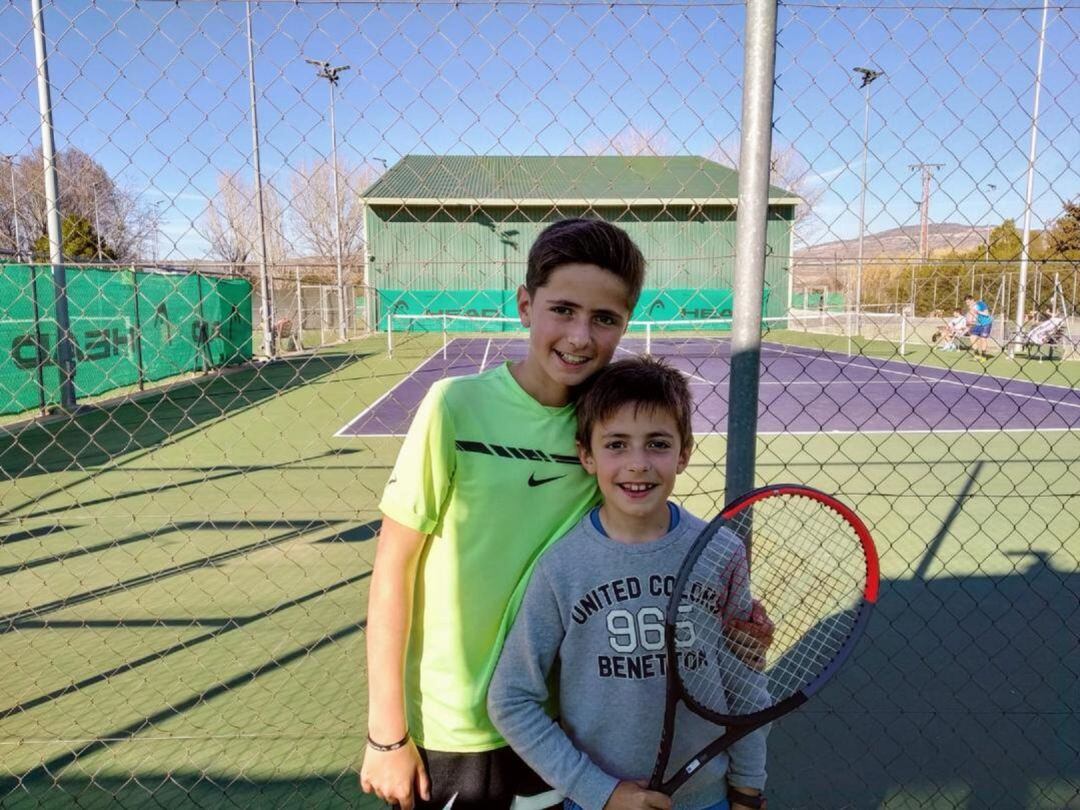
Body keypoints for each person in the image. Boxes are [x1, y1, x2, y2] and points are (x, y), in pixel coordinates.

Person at [359, 218, 648, 810]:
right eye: (562, 309)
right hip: (454, 728)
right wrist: (386, 733)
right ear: (525, 305)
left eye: (605, 319)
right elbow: (394, 565)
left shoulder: (609, 436)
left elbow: (640, 540)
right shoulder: (455, 407)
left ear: (624, 325)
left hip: (557, 725)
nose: (580, 335)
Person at [489, 356, 769, 810]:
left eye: (657, 443)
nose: (637, 464)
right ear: (586, 455)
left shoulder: (721, 551)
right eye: (616, 444)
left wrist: (747, 789)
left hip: (708, 799)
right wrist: (601, 792)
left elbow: (745, 684)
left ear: (684, 453)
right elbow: (510, 699)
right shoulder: (562, 567)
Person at [964, 294, 993, 361]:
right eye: (966, 303)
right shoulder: (970, 308)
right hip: (978, 324)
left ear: (972, 300)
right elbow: (972, 318)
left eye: (968, 302)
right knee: (972, 337)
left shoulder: (980, 304)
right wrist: (969, 323)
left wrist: (978, 312)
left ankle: (983, 356)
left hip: (986, 323)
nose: (967, 304)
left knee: (983, 339)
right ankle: (977, 355)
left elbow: (986, 314)